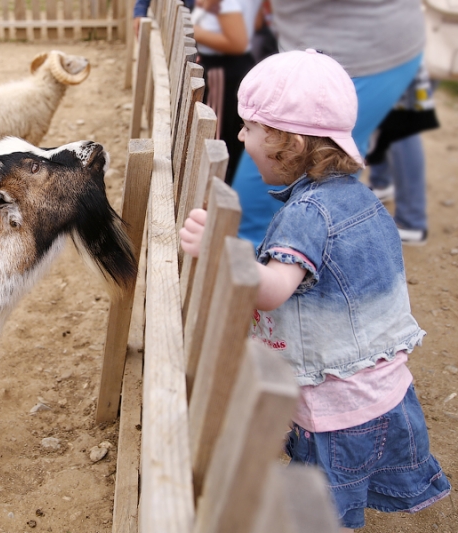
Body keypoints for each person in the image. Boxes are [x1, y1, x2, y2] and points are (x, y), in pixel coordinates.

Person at [179, 49, 451, 531]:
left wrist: (219, 250)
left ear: (287, 142)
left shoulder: (306, 215)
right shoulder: (363, 200)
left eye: (250, 127)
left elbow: (273, 290)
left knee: (321, 514)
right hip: (386, 396)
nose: (241, 137)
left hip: (334, 410)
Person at [195, 0, 428, 248]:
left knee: (266, 195)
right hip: (333, 48)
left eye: (248, 127)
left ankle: (272, 258)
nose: (241, 135)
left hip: (365, 53)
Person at [366, 64, 440, 246]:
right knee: (384, 115)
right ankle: (382, 181)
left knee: (402, 126)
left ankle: (411, 221)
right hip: (403, 49)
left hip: (408, 52)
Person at [191, 0, 262, 185]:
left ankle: (215, 191)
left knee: (215, 139)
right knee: (231, 137)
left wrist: (194, 29)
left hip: (223, 68)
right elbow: (257, 22)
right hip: (236, 66)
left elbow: (238, 43)